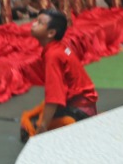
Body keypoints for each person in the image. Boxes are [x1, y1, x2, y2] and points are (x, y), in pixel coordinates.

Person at [20, 10, 98, 141]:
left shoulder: (53, 55)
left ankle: (75, 124)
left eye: (39, 23)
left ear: (51, 33)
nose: (33, 24)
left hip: (79, 109)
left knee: (28, 129)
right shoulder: (58, 47)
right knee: (36, 116)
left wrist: (42, 128)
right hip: (83, 104)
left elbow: (54, 96)